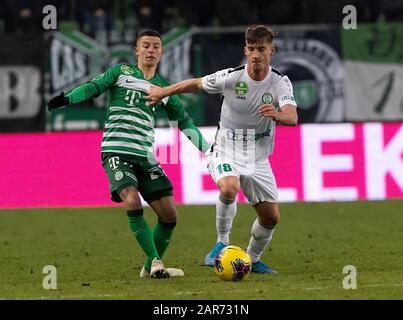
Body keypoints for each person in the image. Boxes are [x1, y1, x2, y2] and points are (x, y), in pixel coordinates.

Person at [47, 29, 209, 278]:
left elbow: (184, 123)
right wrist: (67, 99)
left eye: (156, 46)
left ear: (162, 52)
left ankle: (148, 269)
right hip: (116, 150)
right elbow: (93, 87)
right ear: (137, 50)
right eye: (146, 45)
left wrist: (208, 150)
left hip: (145, 156)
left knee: (169, 216)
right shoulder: (120, 73)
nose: (151, 50)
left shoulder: (165, 89)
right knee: (132, 201)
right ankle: (155, 261)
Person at [145, 25, 298, 274]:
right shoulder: (232, 77)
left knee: (271, 217)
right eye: (251, 49)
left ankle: (253, 259)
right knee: (229, 187)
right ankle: (221, 244)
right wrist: (164, 91)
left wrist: (278, 115)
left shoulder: (280, 82)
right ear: (245, 50)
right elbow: (195, 84)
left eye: (261, 49)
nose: (256, 54)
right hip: (225, 150)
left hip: (257, 157)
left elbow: (292, 116)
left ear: (272, 50)